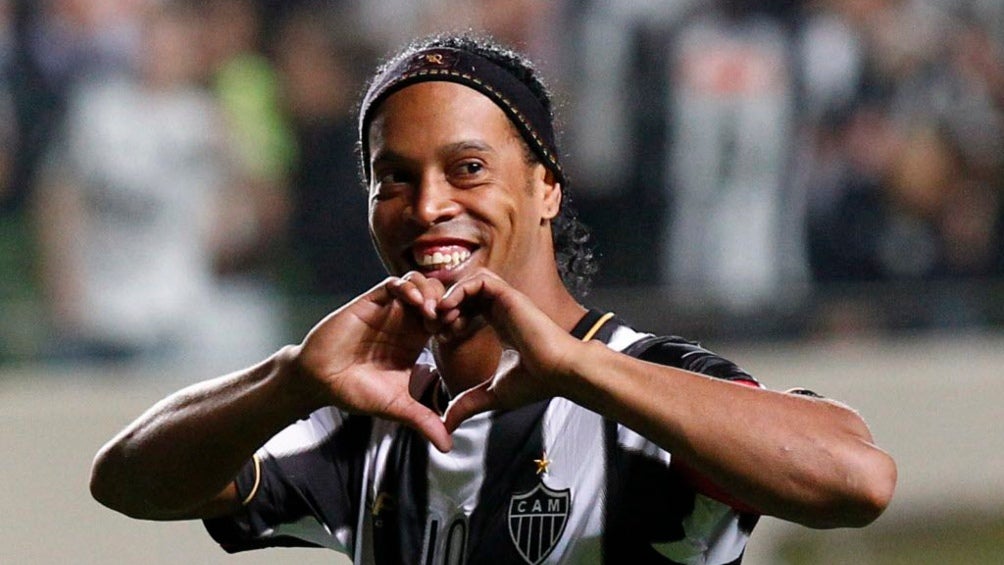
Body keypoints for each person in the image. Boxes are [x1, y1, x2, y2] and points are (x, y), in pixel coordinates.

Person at [90, 33, 896, 564]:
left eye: (467, 168)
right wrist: (291, 379)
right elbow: (126, 484)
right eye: (393, 178)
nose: (428, 203)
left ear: (546, 188)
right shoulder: (373, 413)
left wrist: (576, 371)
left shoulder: (640, 386)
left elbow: (857, 477)